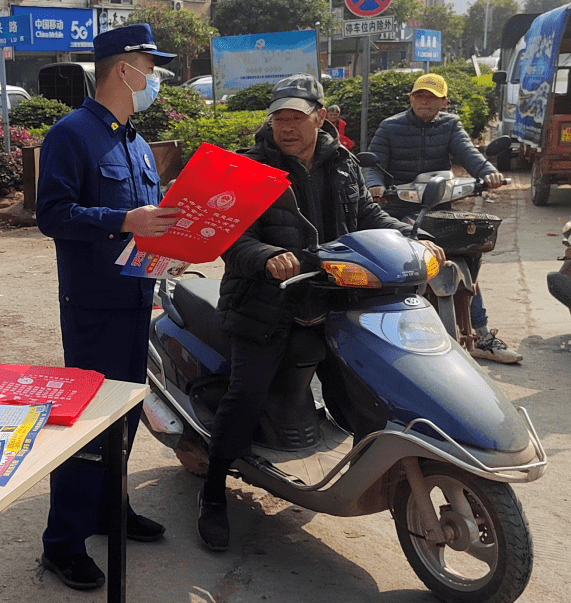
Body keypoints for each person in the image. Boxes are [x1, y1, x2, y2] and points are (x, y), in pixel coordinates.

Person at [196, 73, 445, 552]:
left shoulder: (341, 162)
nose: (286, 127)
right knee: (244, 396)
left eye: (296, 117)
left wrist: (410, 237)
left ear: (320, 116)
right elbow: (231, 238)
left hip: (334, 300)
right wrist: (267, 256)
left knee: (362, 391)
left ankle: (363, 479)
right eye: (278, 118)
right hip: (265, 305)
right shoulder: (249, 167)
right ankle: (212, 493)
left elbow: (365, 217)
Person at [36, 23, 178, 591]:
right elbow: (53, 215)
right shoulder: (71, 135)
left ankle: (106, 510)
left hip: (136, 297)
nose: (157, 77)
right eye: (152, 64)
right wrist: (123, 220)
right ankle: (63, 542)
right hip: (95, 304)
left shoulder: (136, 141)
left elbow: (151, 222)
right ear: (124, 69)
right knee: (89, 425)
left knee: (124, 414)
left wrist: (176, 249)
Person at [364, 73, 521, 364]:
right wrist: (374, 184)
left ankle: (482, 336)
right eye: (420, 96)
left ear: (444, 102)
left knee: (469, 255)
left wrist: (487, 173)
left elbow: (468, 153)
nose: (425, 102)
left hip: (440, 209)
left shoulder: (450, 125)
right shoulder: (390, 127)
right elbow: (373, 162)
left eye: (432, 98)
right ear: (410, 99)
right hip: (399, 209)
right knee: (395, 265)